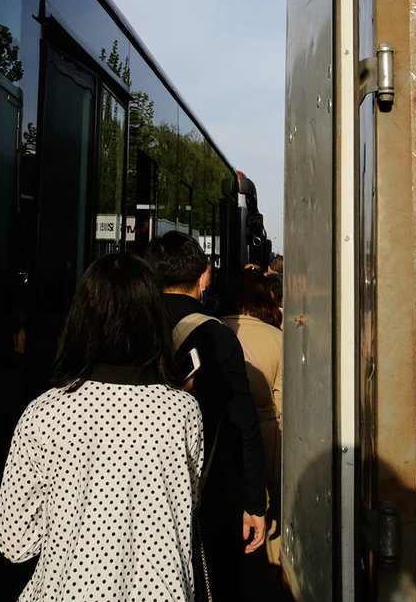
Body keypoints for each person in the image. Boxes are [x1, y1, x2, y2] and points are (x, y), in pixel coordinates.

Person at [0, 253, 204, 601]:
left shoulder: (44, 412)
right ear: (154, 320)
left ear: (81, 319)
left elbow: (16, 543)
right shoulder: (182, 410)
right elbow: (188, 503)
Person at [145, 231, 267, 601]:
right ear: (204, 277)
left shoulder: (129, 327)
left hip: (138, 486)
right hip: (208, 489)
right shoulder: (217, 336)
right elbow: (241, 423)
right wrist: (253, 502)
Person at [219, 268, 285, 589]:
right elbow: (282, 405)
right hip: (267, 437)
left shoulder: (213, 331)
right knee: (269, 525)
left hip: (223, 436)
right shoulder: (277, 338)